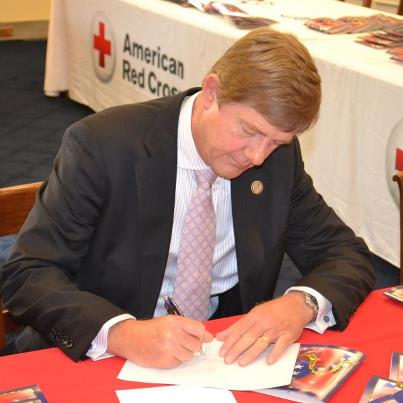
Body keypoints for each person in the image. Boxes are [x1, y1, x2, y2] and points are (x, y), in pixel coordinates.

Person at [0, 27, 374, 368]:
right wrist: (120, 333)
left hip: (216, 359)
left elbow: (345, 254)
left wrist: (300, 304)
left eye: (276, 142)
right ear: (212, 92)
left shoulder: (278, 161)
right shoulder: (101, 145)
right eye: (249, 131)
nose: (257, 157)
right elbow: (27, 273)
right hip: (100, 353)